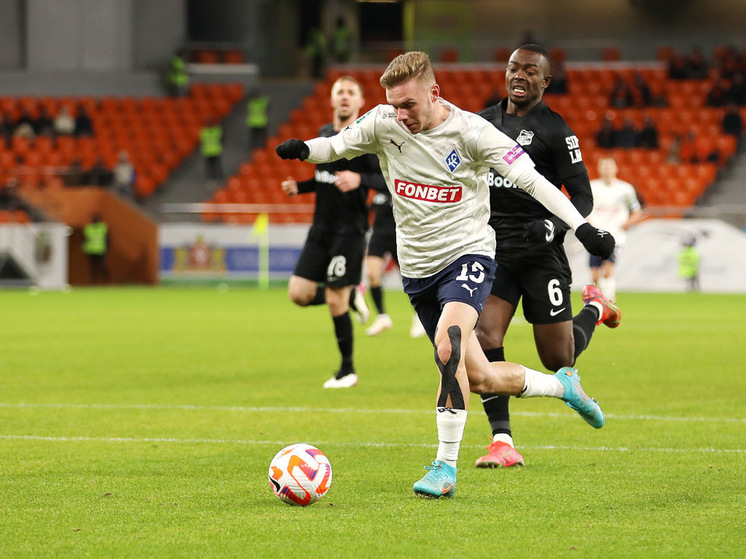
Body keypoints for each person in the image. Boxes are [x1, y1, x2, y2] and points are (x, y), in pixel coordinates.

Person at [276, 51, 615, 498]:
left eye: (409, 105)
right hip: (418, 270)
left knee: (448, 344)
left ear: (434, 93)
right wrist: (305, 150)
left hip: (469, 255)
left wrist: (583, 228)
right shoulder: (382, 122)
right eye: (394, 105)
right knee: (481, 376)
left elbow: (534, 180)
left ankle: (444, 467)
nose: (401, 115)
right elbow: (336, 147)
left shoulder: (473, 132)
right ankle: (562, 386)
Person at [474, 44, 622, 470]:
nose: (519, 75)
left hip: (542, 255)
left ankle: (595, 308)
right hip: (495, 250)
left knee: (558, 360)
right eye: (513, 68)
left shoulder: (557, 131)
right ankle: (502, 441)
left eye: (530, 70)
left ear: (546, 81)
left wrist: (554, 226)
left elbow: (583, 197)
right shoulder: (482, 123)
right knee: (485, 337)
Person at [280, 75, 381, 389]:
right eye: (340, 92)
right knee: (299, 294)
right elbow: (324, 178)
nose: (345, 97)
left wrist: (360, 179)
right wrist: (301, 187)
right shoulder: (325, 135)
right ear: (332, 99)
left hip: (349, 231)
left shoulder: (366, 141)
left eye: (351, 92)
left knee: (335, 300)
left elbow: (385, 179)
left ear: (361, 102)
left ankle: (347, 370)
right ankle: (351, 295)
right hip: (320, 228)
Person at [363, 186, 426, 338]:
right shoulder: (378, 188)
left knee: (409, 278)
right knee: (372, 274)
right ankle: (382, 317)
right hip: (378, 236)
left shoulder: (400, 186)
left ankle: (419, 316)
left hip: (398, 237)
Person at [588, 156, 644, 302]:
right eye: (603, 166)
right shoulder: (592, 187)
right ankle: (598, 300)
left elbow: (637, 211)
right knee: (595, 275)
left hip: (615, 235)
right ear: (599, 169)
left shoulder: (625, 189)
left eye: (609, 167)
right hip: (596, 234)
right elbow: (584, 209)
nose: (606, 170)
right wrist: (588, 225)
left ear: (616, 169)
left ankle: (609, 299)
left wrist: (627, 224)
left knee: (608, 268)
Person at [83, 213, 109, 284]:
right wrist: (85, 248)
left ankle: (105, 281)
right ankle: (94, 281)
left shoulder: (103, 228)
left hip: (100, 250)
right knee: (93, 267)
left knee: (102, 265)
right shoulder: (88, 228)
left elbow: (107, 238)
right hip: (91, 250)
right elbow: (86, 239)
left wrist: (107, 247)